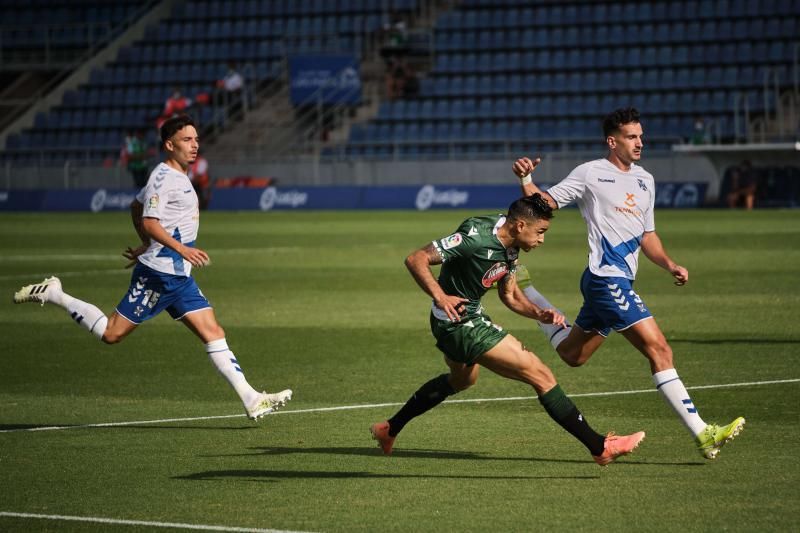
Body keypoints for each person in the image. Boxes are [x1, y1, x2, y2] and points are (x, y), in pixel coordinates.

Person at [13, 115, 291, 420]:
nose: (195, 145)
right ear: (169, 145)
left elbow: (137, 205)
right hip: (158, 275)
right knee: (111, 333)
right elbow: (148, 219)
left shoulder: (177, 175)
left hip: (178, 275)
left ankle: (251, 399)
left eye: (197, 139)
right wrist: (175, 247)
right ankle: (56, 294)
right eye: (187, 140)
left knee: (213, 332)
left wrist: (149, 243)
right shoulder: (163, 177)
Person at [511, 107, 745, 460]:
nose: (640, 142)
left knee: (573, 356)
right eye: (632, 137)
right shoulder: (591, 173)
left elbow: (646, 234)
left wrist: (669, 264)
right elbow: (547, 202)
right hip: (608, 281)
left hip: (606, 281)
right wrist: (526, 180)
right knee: (660, 350)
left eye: (641, 136)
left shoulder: (645, 180)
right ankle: (703, 433)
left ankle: (527, 288)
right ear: (612, 141)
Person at [370, 194, 645, 466]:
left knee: (463, 380)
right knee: (542, 375)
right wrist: (441, 296)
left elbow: (510, 295)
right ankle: (600, 447)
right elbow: (416, 258)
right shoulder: (475, 237)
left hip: (460, 319)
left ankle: (389, 429)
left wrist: (539, 313)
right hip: (459, 323)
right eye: (540, 232)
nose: (542, 240)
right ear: (520, 226)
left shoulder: (511, 245)